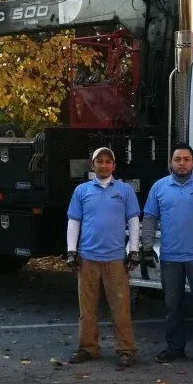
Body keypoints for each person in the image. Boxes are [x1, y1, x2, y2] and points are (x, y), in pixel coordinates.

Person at [140, 144, 193, 370]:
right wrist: (147, 247)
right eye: (177, 159)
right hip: (170, 258)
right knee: (172, 306)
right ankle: (175, 347)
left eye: (186, 159)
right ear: (171, 162)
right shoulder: (159, 187)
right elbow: (149, 218)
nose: (182, 163)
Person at [65, 147, 141, 366]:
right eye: (100, 161)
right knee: (87, 308)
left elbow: (133, 220)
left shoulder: (125, 191)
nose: (104, 165)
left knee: (121, 307)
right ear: (93, 164)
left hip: (116, 258)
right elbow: (74, 221)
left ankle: (126, 349)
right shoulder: (81, 191)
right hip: (88, 258)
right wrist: (71, 251)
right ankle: (88, 348)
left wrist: (133, 250)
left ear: (114, 166)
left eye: (108, 161)